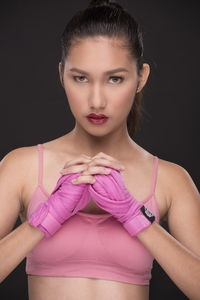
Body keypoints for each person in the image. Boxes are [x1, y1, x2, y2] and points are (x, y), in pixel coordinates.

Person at [0, 0, 199, 299]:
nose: (96, 101)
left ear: (141, 77)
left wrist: (136, 217)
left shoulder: (172, 179)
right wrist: (43, 219)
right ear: (61, 74)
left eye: (115, 79)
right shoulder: (22, 166)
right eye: (80, 78)